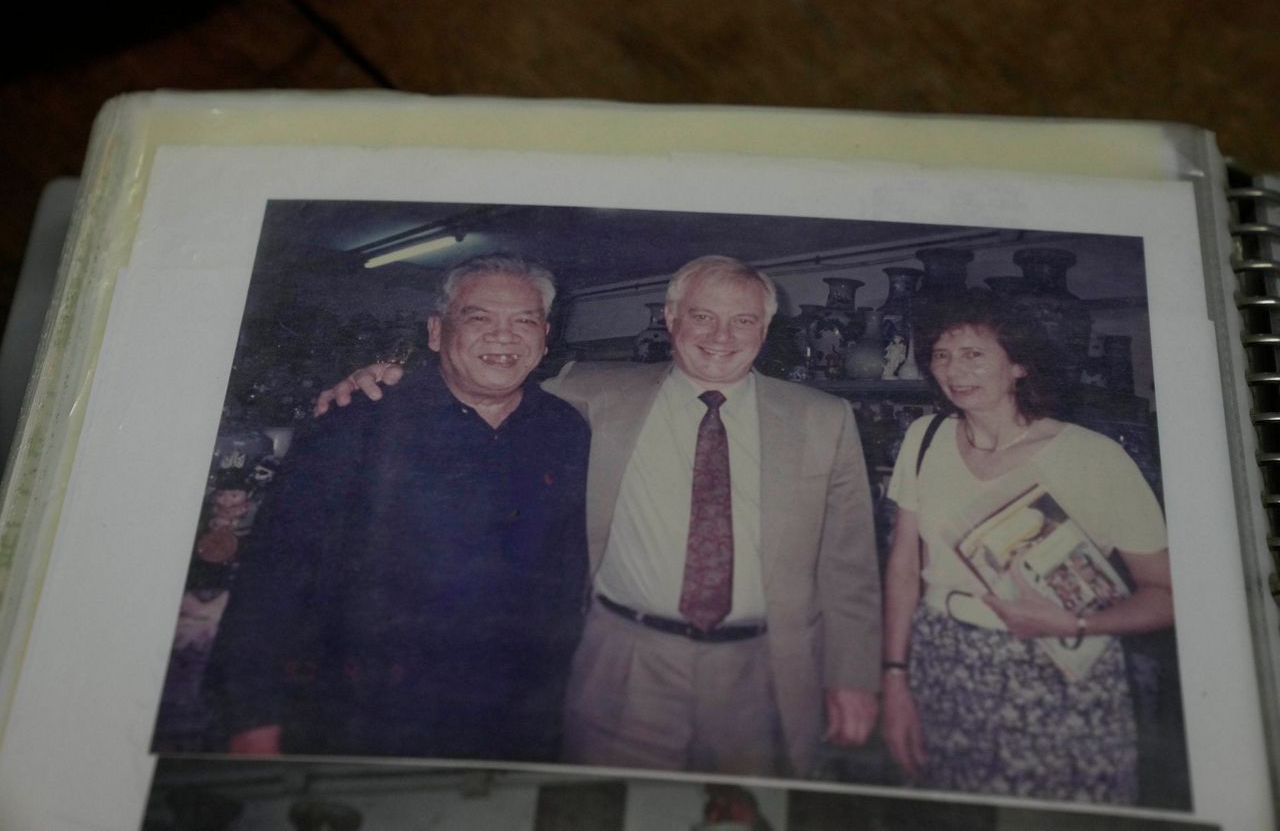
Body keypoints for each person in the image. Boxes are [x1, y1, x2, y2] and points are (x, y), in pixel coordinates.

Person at [317, 255, 882, 777]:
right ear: (670, 317)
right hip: (623, 661)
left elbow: (849, 566)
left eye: (742, 321)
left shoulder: (822, 418)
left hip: (763, 667)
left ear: (765, 327)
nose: (720, 337)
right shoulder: (592, 390)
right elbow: (488, 367)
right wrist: (387, 372)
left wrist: (854, 678)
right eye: (702, 316)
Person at [208, 255, 590, 761]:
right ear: (436, 332)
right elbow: (274, 576)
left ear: (544, 336)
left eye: (523, 322)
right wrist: (252, 718)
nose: (504, 337)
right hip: (366, 713)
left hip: (512, 715)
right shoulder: (355, 423)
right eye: (479, 319)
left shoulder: (565, 430)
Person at [880, 289, 1173, 803]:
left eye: (974, 354)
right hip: (942, 662)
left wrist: (1076, 623)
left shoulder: (1091, 457)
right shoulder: (923, 438)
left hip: (1057, 666)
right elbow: (904, 568)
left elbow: (1167, 594)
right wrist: (895, 677)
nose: (954, 370)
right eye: (941, 355)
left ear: (1019, 364)